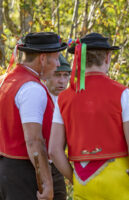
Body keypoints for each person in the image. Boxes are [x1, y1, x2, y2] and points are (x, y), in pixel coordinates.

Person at [49, 33, 129, 200]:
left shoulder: (63, 98)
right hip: (120, 179)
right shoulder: (122, 93)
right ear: (108, 57)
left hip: (83, 180)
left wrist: (75, 178)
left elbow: (54, 150)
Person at [0, 32, 66, 200]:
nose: (58, 64)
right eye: (56, 58)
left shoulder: (6, 80)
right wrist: (46, 182)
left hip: (7, 170)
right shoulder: (32, 88)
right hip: (26, 173)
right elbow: (34, 140)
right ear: (43, 59)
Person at [45, 54, 71, 200]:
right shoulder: (38, 94)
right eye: (57, 75)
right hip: (32, 166)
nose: (62, 80)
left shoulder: (68, 100)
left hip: (56, 166)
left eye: (65, 75)